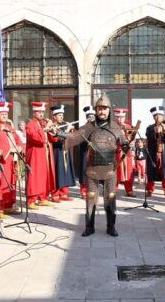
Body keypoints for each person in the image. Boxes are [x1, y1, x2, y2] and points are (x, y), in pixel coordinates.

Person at [57, 94, 129, 237]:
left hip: (110, 170)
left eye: (104, 109)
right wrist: (60, 133)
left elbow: (124, 142)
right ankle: (89, 227)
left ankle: (111, 226)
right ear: (96, 110)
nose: (102, 111)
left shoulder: (116, 127)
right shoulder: (89, 127)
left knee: (110, 197)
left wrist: (126, 145)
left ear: (109, 110)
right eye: (99, 109)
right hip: (93, 170)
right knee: (90, 198)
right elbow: (75, 137)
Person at [0, 102, 21, 215]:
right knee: (2, 182)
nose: (4, 117)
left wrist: (19, 146)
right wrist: (9, 149)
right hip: (3, 159)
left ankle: (8, 204)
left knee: (11, 181)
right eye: (2, 114)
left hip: (12, 160)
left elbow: (17, 139)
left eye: (6, 114)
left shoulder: (9, 127)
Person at [24, 102, 58, 209]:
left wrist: (53, 130)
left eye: (43, 112)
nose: (42, 114)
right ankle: (31, 200)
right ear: (34, 113)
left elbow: (53, 139)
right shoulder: (30, 125)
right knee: (35, 176)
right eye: (39, 112)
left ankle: (43, 197)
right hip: (35, 154)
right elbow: (37, 138)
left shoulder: (42, 123)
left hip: (45, 153)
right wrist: (45, 129)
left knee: (45, 175)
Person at [145, 106, 165, 197]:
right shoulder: (150, 127)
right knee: (151, 171)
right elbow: (149, 136)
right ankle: (150, 189)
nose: (158, 118)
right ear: (153, 117)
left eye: (160, 116)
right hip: (153, 153)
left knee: (164, 171)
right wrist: (156, 132)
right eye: (156, 116)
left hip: (163, 154)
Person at [50, 105, 75, 201]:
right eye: (59, 115)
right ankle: (55, 194)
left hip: (66, 151)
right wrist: (67, 130)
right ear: (54, 116)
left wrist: (71, 130)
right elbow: (59, 139)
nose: (61, 117)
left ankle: (64, 193)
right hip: (57, 152)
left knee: (66, 171)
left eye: (62, 115)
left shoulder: (65, 124)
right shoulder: (52, 126)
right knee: (57, 172)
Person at [113, 108, 135, 196]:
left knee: (128, 171)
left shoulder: (128, 127)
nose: (120, 119)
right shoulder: (112, 127)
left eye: (122, 117)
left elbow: (129, 139)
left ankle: (129, 190)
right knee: (115, 171)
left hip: (127, 152)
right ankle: (113, 190)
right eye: (118, 117)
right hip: (116, 152)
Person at [78, 106, 95, 198]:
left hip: (95, 153)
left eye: (93, 116)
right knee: (84, 171)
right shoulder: (82, 128)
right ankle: (84, 191)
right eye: (89, 116)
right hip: (85, 152)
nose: (91, 118)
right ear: (86, 117)